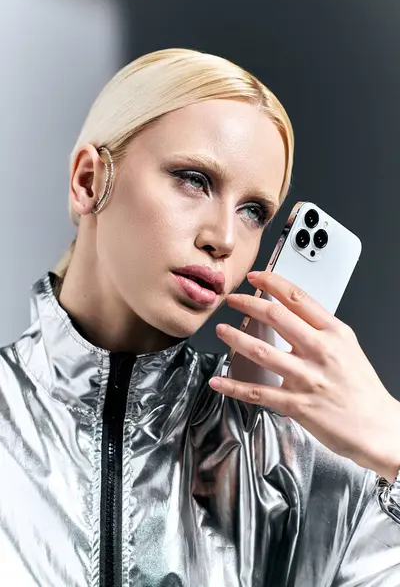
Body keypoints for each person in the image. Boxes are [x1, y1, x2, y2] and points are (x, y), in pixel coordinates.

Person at [0, 48, 399, 587]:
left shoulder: (300, 468)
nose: (224, 239)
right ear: (90, 180)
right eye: (194, 179)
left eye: (254, 211)